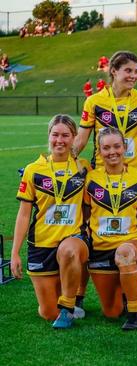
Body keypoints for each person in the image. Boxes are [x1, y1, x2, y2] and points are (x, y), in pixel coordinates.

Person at [11, 115, 91, 328]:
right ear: (49, 136)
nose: (60, 140)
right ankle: (63, 304)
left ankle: (67, 306)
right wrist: (15, 253)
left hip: (73, 239)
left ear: (74, 138)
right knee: (47, 313)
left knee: (69, 250)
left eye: (66, 135)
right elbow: (24, 214)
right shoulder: (33, 170)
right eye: (55, 135)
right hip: (42, 244)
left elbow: (90, 206)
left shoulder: (83, 169)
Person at [83, 127, 137, 330]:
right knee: (111, 312)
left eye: (116, 146)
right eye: (106, 148)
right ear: (99, 150)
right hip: (101, 249)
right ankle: (124, 288)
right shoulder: (91, 178)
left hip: (132, 244)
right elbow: (85, 213)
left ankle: (135, 313)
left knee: (124, 253)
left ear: (125, 147)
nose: (112, 152)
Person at [75, 51, 137, 170]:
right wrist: (63, 160)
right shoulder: (94, 101)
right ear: (113, 71)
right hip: (102, 172)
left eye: (136, 71)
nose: (133, 76)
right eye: (128, 70)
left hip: (134, 172)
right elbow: (81, 140)